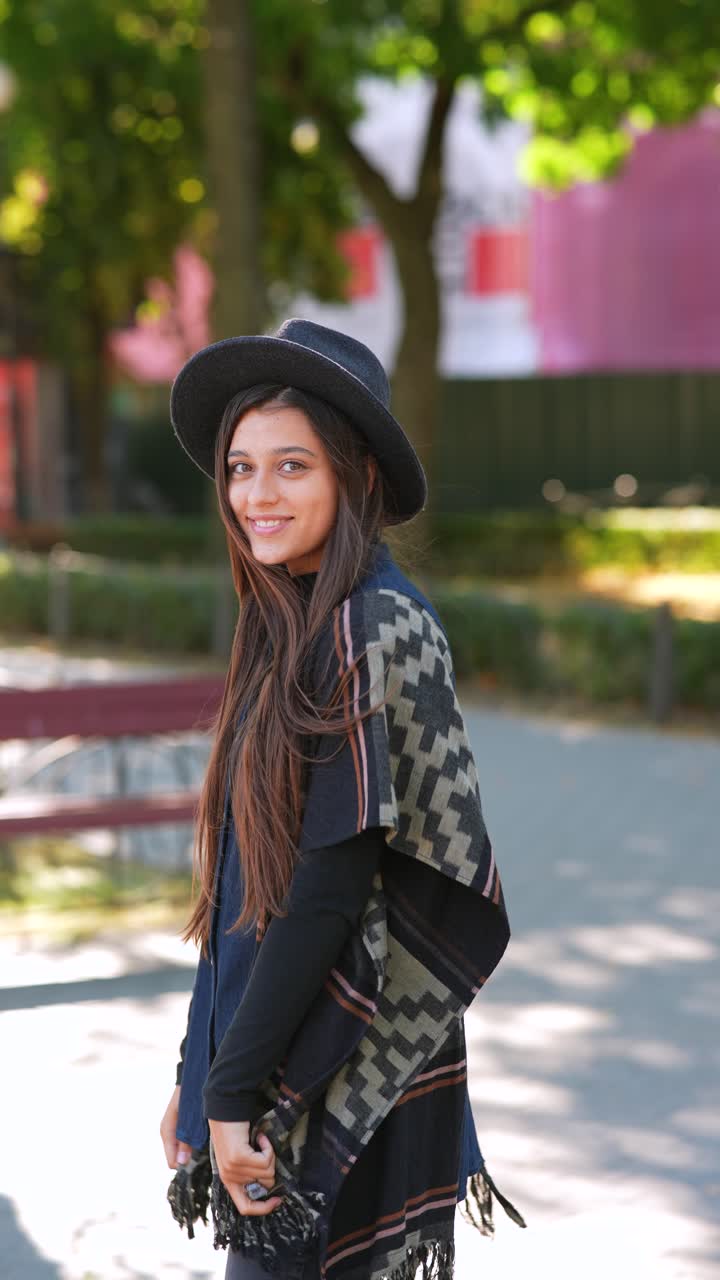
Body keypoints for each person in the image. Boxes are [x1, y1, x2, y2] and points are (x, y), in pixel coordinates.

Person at [160, 319, 524, 1280]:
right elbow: (246, 882)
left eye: (291, 466)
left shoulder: (374, 628)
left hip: (342, 1060)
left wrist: (235, 1090)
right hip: (278, 1049)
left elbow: (330, 883)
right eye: (241, 468)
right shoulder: (286, 624)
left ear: (356, 476)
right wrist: (196, 1074)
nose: (257, 495)